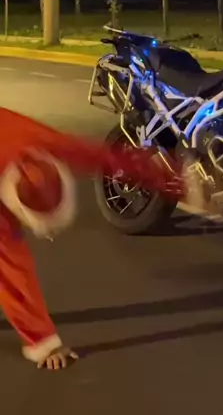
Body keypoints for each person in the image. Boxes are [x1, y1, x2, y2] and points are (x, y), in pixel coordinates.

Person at [0, 107, 183, 370]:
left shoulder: (46, 144)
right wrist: (44, 343)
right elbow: (11, 270)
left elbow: (101, 157)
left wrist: (167, 179)